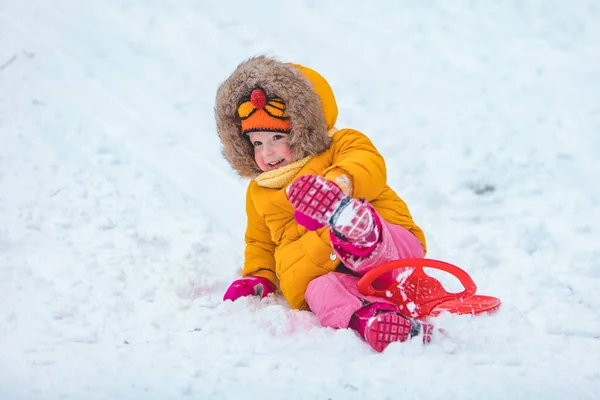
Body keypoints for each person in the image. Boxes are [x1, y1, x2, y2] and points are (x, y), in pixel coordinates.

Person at [216, 56, 433, 352]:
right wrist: (258, 276)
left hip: (391, 245)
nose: (267, 152)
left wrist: (338, 184)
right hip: (319, 270)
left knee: (370, 237)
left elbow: (367, 164)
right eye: (257, 143)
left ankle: (357, 232)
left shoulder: (340, 145)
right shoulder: (259, 192)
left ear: (303, 126)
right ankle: (370, 318)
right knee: (321, 292)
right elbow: (260, 242)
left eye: (277, 137)